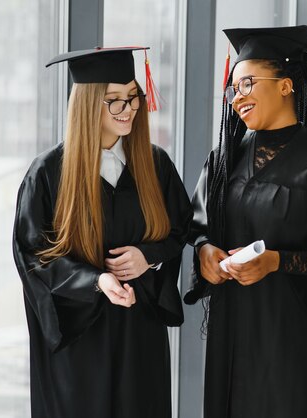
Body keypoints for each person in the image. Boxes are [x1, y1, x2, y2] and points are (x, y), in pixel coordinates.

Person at [184, 26, 307, 418]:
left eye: (247, 83)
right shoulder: (223, 160)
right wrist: (204, 253)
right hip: (233, 331)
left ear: (285, 86)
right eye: (233, 89)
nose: (237, 98)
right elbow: (197, 230)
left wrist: (277, 261)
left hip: (292, 339)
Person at [12, 47, 192, 418]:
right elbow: (33, 254)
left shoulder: (155, 165)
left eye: (132, 98)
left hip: (139, 329)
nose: (127, 109)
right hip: (79, 334)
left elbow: (179, 231)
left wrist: (149, 258)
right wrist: (95, 282)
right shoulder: (48, 173)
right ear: (89, 104)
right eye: (114, 101)